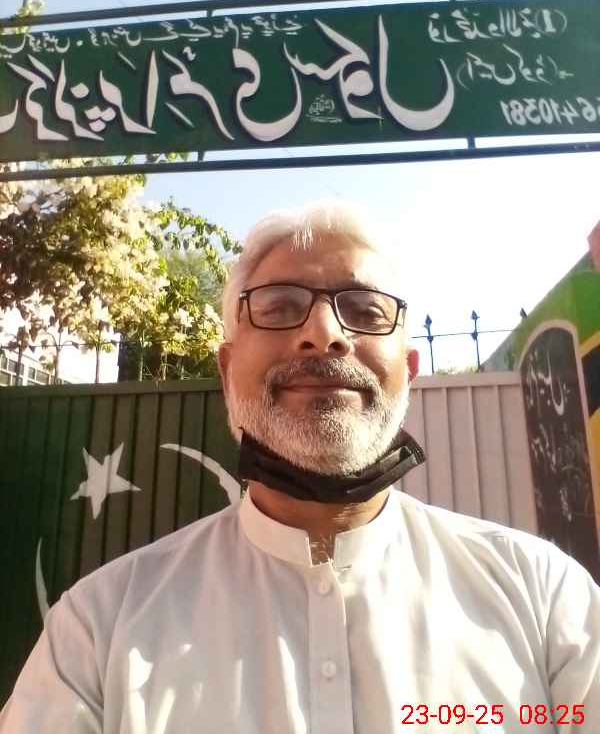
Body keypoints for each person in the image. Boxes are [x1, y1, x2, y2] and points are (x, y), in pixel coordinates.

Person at [1, 201, 599, 733]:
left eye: (365, 309)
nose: (324, 334)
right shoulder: (98, 630)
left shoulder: (548, 603)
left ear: (409, 372)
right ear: (226, 371)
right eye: (280, 306)